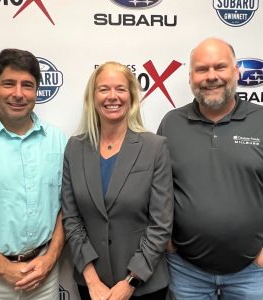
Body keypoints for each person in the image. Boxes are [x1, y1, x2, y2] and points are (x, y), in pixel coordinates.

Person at [157, 37, 263, 300]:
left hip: (252, 272)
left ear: (236, 71)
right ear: (191, 77)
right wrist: (169, 244)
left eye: (220, 67)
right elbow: (158, 190)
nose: (211, 76)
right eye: (202, 69)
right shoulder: (172, 123)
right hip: (186, 272)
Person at [61, 61, 173, 300]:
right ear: (93, 97)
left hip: (145, 286)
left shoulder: (154, 147)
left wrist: (130, 282)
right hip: (92, 287)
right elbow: (72, 219)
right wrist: (92, 281)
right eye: (104, 89)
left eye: (120, 89)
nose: (113, 96)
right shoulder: (74, 148)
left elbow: (161, 224)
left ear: (132, 96)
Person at [0, 48, 68, 300]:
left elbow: (68, 209)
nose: (18, 94)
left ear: (37, 90)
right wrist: (5, 269)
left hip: (43, 277)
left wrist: (50, 259)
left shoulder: (58, 140)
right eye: (8, 84)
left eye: (27, 85)